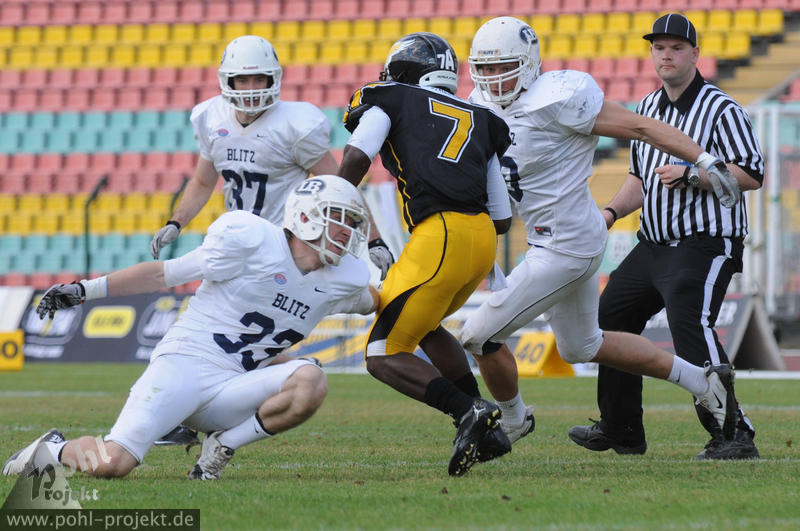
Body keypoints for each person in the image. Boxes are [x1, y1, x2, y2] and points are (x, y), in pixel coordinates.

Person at [458, 15, 746, 457]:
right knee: (583, 346)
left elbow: (642, 128)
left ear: (529, 63)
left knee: (478, 335)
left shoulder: (559, 97)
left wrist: (703, 161)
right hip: (552, 240)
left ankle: (514, 421)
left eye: (505, 67)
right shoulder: (481, 104)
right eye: (486, 68)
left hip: (567, 248)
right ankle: (702, 382)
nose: (495, 78)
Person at [3, 175, 379, 480]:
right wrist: (86, 290)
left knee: (311, 379)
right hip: (186, 365)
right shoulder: (252, 240)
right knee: (111, 464)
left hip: (234, 390)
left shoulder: (343, 279)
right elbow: (162, 274)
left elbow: (378, 301)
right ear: (306, 216)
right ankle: (51, 449)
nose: (347, 231)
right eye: (339, 217)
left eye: (352, 222)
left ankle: (223, 445)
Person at [568, 14, 764, 460]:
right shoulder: (647, 109)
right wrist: (609, 213)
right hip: (653, 245)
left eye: (676, 47)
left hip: (705, 243)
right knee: (608, 319)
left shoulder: (722, 109)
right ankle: (621, 429)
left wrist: (694, 175)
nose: (667, 55)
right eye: (659, 48)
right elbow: (640, 179)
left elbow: (751, 174)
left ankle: (734, 433)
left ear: (696, 54)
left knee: (689, 324)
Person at [337, 32, 515, 477]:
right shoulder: (482, 118)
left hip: (440, 234)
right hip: (481, 240)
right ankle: (489, 432)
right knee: (424, 325)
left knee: (382, 353)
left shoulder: (389, 97)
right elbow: (502, 217)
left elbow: (358, 154)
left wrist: (332, 200)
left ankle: (468, 410)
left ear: (402, 71)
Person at [149, 35, 394, 275]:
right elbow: (203, 182)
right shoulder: (212, 118)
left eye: (259, 79)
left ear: (273, 79)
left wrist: (374, 240)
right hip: (236, 241)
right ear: (229, 81)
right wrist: (176, 222)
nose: (251, 89)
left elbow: (341, 188)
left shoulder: (293, 126)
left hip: (283, 248)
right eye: (242, 80)